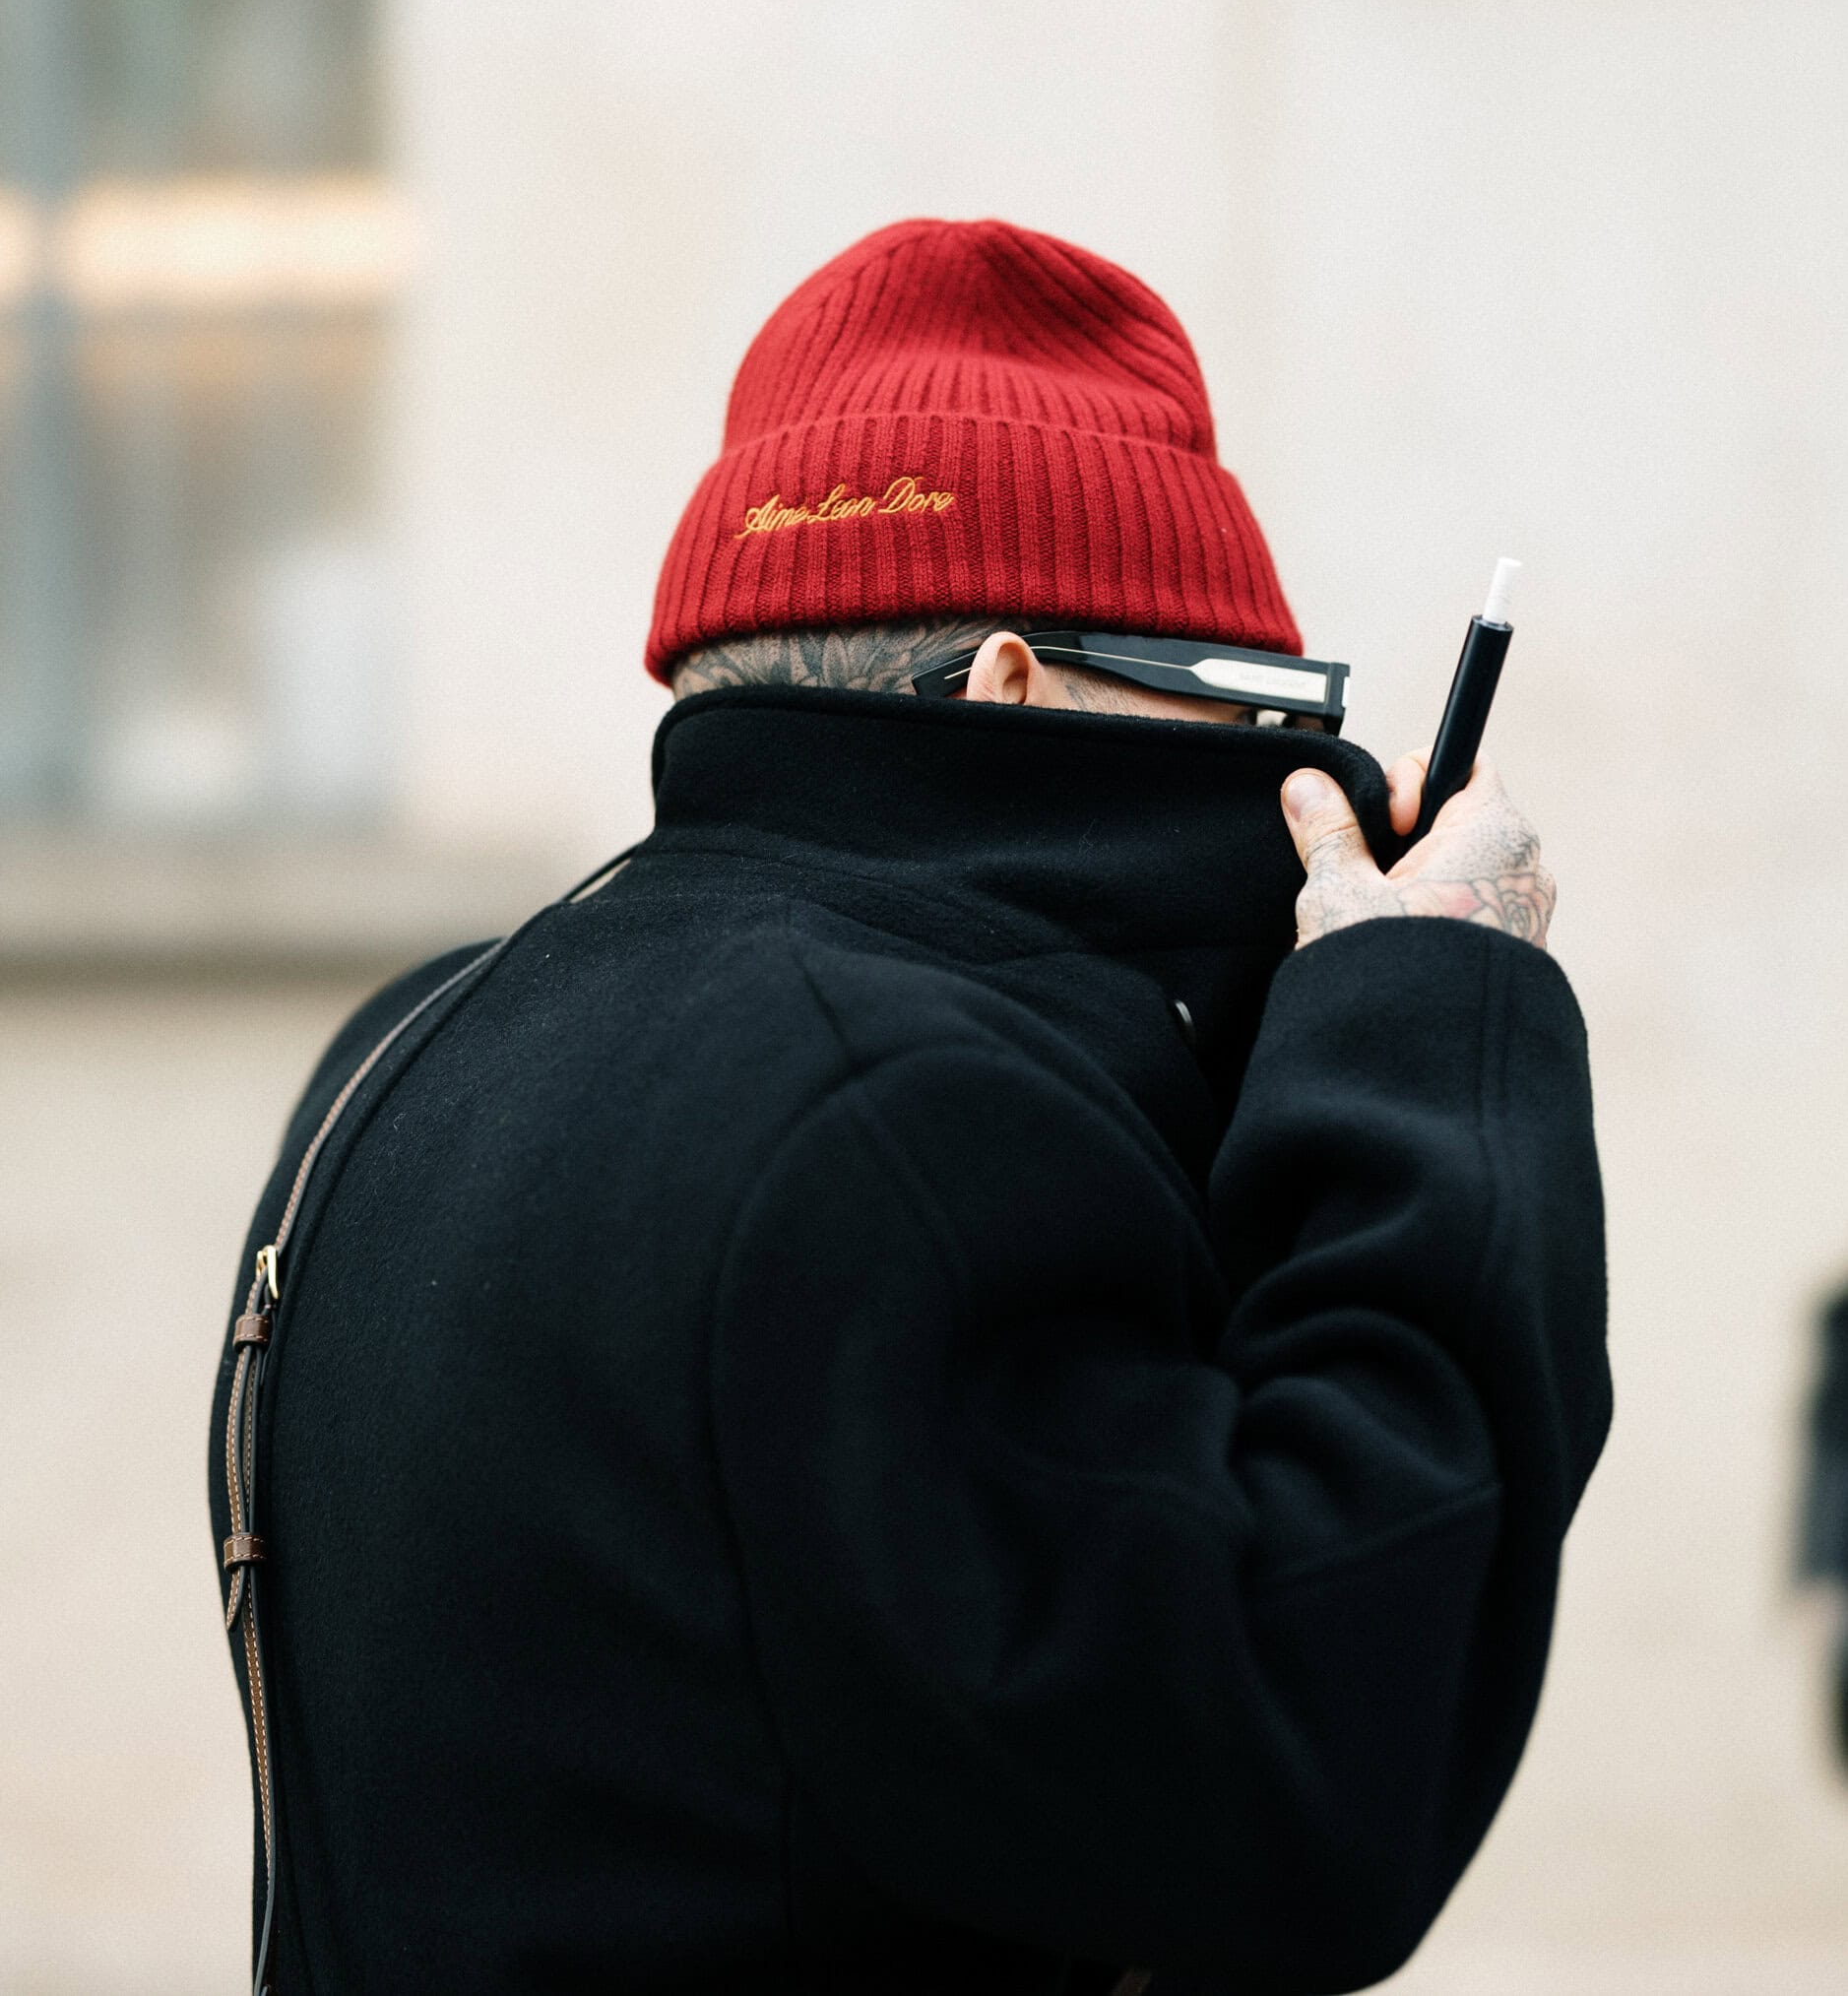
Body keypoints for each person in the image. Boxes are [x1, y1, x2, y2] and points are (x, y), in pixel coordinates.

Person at [211, 217, 1610, 1995]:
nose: (1286, 770)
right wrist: (1432, 1019)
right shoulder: (910, 1109)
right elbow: (1299, 1770)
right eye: (1248, 701)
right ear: (1015, 681)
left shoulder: (416, 1045)